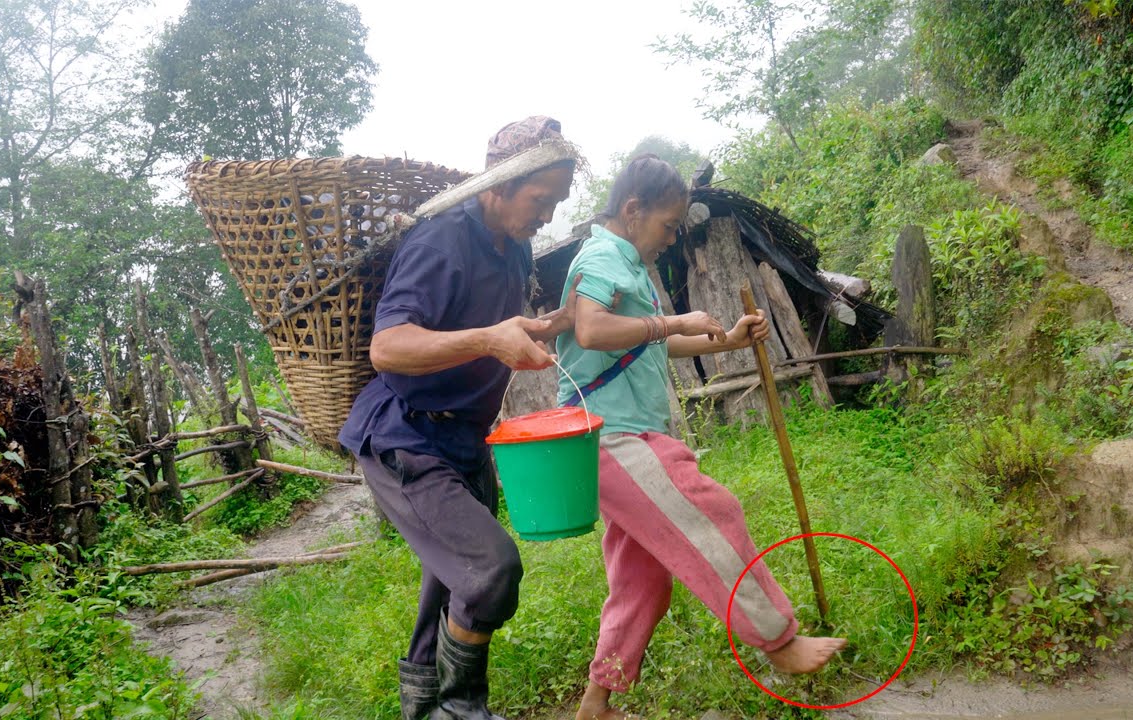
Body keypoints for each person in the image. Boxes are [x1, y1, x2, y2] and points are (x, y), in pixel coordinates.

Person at [555, 155, 847, 720]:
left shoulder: (631, 264)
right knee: (710, 510)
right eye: (668, 225)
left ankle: (596, 705)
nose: (671, 238)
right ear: (633, 210)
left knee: (642, 583)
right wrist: (673, 321)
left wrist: (727, 340)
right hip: (613, 436)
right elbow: (591, 330)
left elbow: (646, 343)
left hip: (620, 435)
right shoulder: (600, 257)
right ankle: (778, 641)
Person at [339, 116, 579, 720]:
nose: (547, 215)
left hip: (467, 438)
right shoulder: (440, 239)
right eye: (541, 200)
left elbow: (494, 326)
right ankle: (461, 710)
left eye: (557, 203)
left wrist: (542, 326)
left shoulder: (515, 247)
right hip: (405, 435)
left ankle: (425, 709)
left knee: (449, 583)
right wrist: (490, 341)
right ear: (498, 186)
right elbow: (388, 348)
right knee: (490, 570)